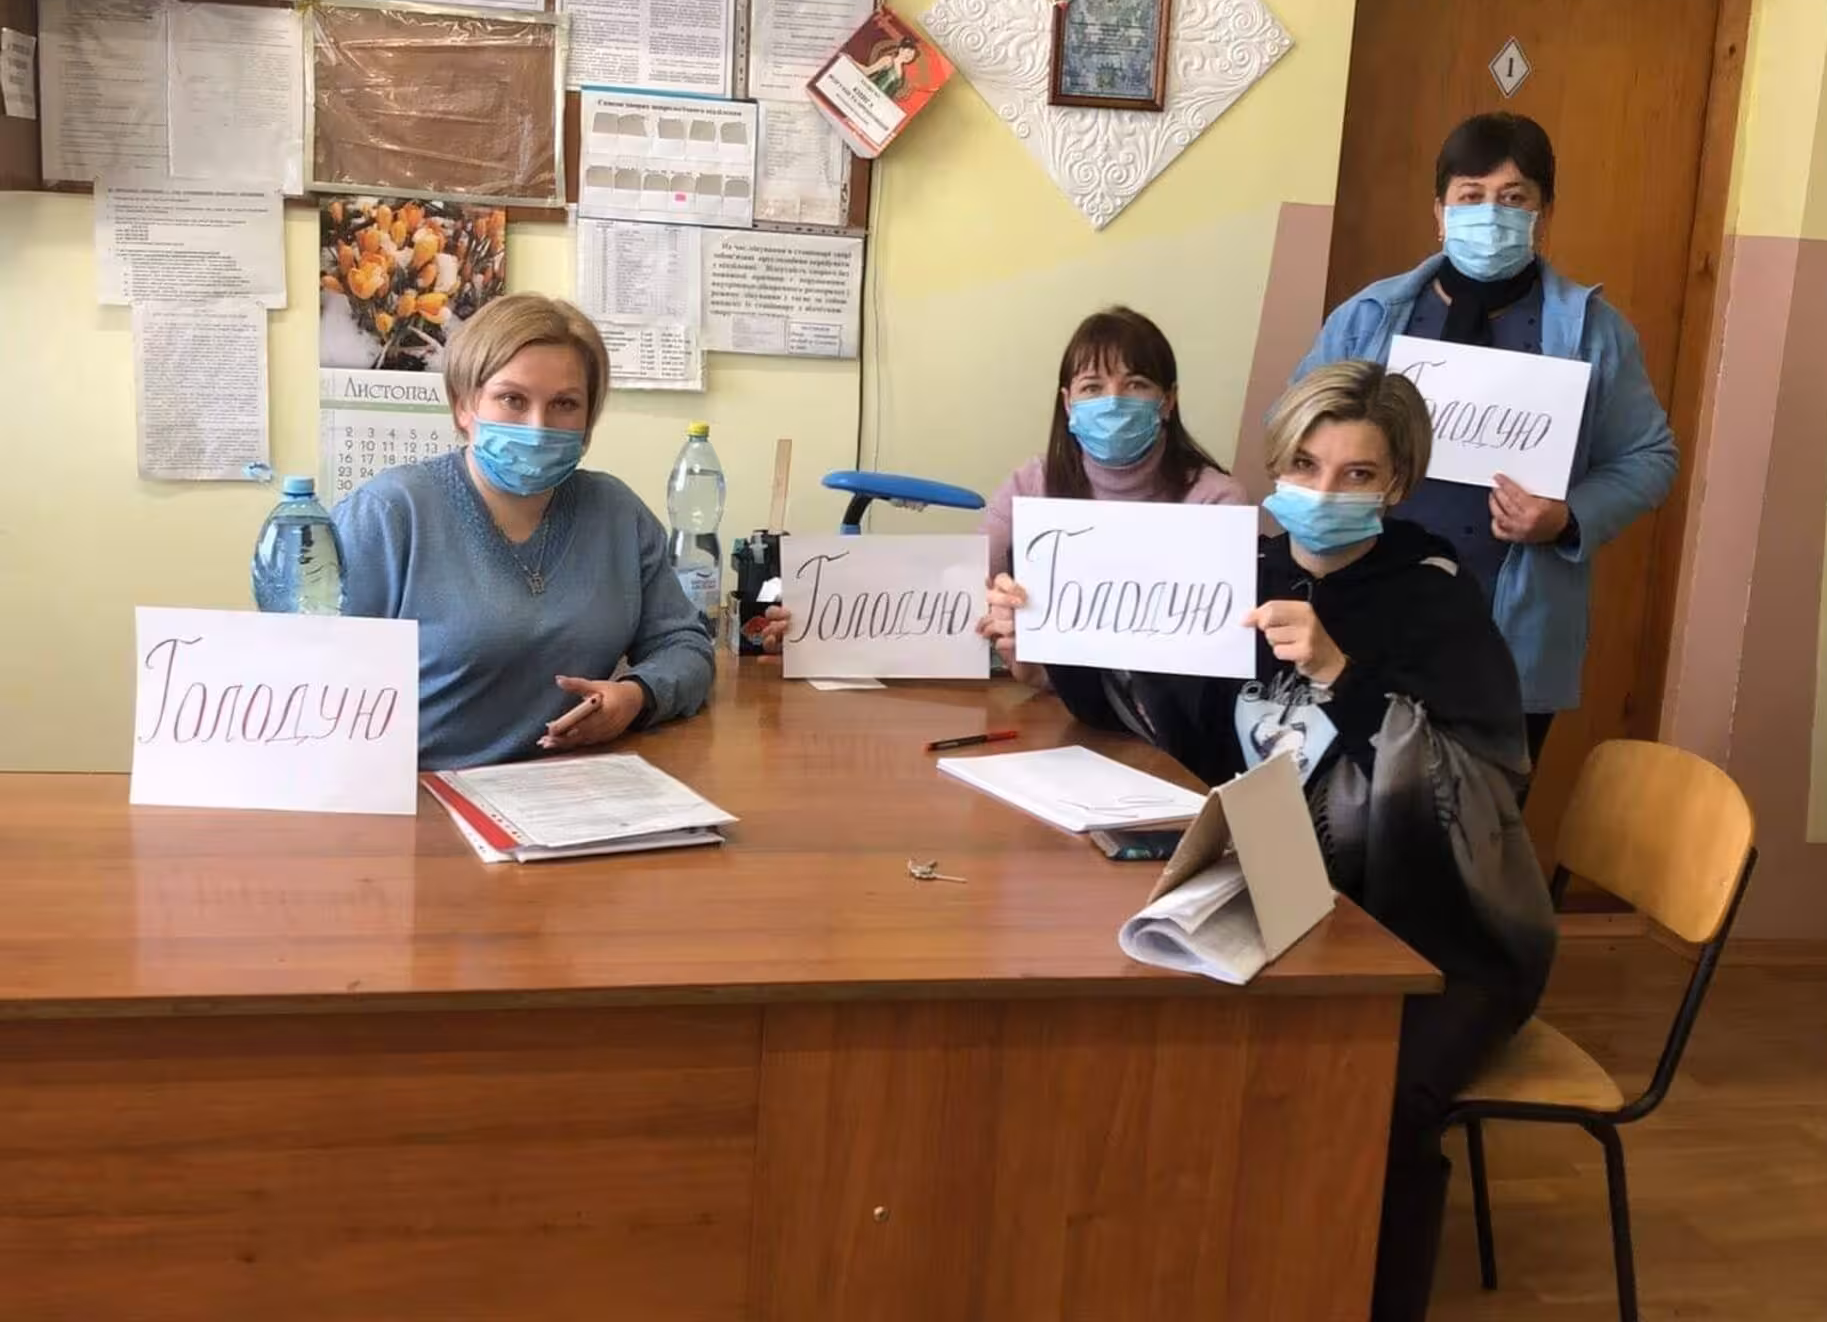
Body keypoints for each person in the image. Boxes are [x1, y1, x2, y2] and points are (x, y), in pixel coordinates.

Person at [985, 362, 1556, 1322]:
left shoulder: (1437, 601)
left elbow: (1475, 790)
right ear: (1275, 466)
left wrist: (1343, 676)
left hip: (1430, 921)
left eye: (1357, 474)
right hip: (1274, 881)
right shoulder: (1242, 574)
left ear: (1398, 483)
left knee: (1380, 1094)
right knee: (1126, 1024)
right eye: (1304, 466)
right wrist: (1051, 639)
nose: (1324, 492)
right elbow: (1168, 724)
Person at [1299, 112, 1677, 763]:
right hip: (1359, 613)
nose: (1491, 215)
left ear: (1543, 214)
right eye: (1471, 196)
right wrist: (1337, 485)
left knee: (1480, 813)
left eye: (1513, 198)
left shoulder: (1592, 331)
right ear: (1439, 213)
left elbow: (1649, 457)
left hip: (1508, 637)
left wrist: (1567, 518)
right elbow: (1293, 428)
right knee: (1342, 800)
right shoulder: (1370, 317)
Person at [755, 307, 1246, 685]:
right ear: (1068, 404)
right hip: (1053, 721)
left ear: (1168, 401)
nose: (1113, 401)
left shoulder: (1216, 503)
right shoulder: (1032, 484)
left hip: (1170, 737)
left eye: (1135, 384)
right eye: (1093, 387)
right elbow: (950, 596)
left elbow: (1210, 656)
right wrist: (818, 629)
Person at [334, 293, 714, 771]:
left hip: (573, 789)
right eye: (512, 399)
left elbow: (685, 645)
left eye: (565, 404)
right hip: (419, 791)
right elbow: (316, 689)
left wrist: (637, 696)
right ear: (464, 406)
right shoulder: (387, 514)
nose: (538, 427)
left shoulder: (617, 513)